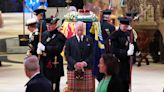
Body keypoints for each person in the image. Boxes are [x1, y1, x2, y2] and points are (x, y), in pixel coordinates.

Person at [37, 16, 66, 92]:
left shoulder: (60, 36)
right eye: (47, 25)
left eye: (51, 25)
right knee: (44, 85)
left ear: (55, 25)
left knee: (54, 86)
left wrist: (45, 48)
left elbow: (58, 49)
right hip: (44, 63)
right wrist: (38, 50)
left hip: (54, 64)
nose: (49, 26)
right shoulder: (43, 34)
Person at [64, 21, 94, 92]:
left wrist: (84, 63)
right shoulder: (69, 41)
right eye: (78, 30)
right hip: (73, 69)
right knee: (72, 90)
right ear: (75, 29)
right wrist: (75, 63)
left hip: (86, 68)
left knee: (87, 90)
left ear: (84, 30)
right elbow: (67, 55)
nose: (80, 32)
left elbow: (92, 53)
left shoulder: (89, 40)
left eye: (81, 30)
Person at [110, 16, 136, 92]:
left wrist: (134, 52)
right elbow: (114, 50)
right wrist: (126, 53)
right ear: (120, 25)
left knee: (126, 83)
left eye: (126, 26)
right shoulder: (115, 35)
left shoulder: (129, 34)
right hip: (118, 63)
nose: (125, 27)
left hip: (126, 63)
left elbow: (132, 45)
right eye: (123, 26)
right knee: (119, 83)